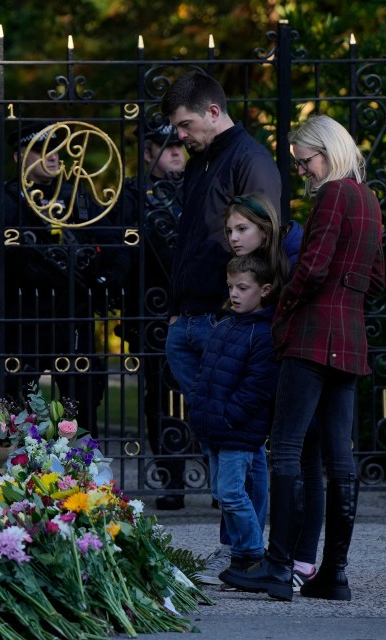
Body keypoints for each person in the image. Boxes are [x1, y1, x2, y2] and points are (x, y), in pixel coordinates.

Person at [221, 114, 386, 601]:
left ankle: (276, 568)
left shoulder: (334, 195)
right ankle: (333, 575)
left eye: (305, 161)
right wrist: (346, 295)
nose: (303, 172)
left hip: (312, 335)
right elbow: (376, 279)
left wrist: (285, 308)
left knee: (287, 448)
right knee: (340, 457)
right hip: (350, 337)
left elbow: (311, 268)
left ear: (327, 151)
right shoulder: (370, 200)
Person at [160, 71, 282, 580]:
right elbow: (195, 237)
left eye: (186, 124)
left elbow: (259, 243)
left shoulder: (250, 160)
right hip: (188, 321)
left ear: (213, 111)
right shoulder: (205, 159)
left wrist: (234, 313)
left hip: (223, 322)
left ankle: (244, 552)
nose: (179, 136)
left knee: (239, 443)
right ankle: (240, 548)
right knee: (219, 436)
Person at [0, 120, 111, 437]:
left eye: (58, 149)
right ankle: (23, 473)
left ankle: (85, 473)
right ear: (20, 157)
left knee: (81, 400)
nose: (54, 156)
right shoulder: (5, 202)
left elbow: (107, 246)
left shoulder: (79, 199)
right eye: (43, 149)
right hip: (23, 316)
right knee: (18, 403)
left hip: (71, 315)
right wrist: (25, 262)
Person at [223, 193, 322, 592]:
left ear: (264, 229)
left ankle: (302, 561)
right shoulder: (254, 263)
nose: (233, 237)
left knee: (307, 460)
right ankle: (275, 558)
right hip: (285, 360)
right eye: (229, 229)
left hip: (306, 359)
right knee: (287, 457)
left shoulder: (291, 250)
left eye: (242, 229)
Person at [189, 253, 279, 577]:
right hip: (214, 427)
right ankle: (241, 554)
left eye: (242, 287)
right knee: (221, 494)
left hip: (237, 430)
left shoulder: (262, 334)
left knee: (231, 492)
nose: (234, 294)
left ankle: (253, 553)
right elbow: (205, 374)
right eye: (231, 287)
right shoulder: (224, 325)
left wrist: (228, 417)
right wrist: (199, 413)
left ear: (264, 289)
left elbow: (257, 388)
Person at [116, 121, 187, 510]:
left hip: (198, 306)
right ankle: (172, 477)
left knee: (204, 392)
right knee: (160, 395)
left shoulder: (197, 184)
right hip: (150, 310)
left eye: (179, 144)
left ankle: (213, 479)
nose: (176, 151)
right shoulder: (132, 194)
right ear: (148, 153)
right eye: (166, 145)